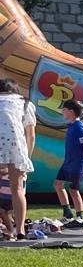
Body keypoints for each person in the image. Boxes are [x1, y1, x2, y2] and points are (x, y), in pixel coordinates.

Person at [0, 78, 36, 239]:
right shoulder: (24, 103)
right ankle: (20, 230)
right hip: (16, 147)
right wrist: (26, 157)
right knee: (18, 189)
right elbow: (31, 134)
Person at [54, 101, 83, 224]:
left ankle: (80, 217)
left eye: (64, 109)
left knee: (74, 190)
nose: (62, 112)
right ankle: (67, 212)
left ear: (71, 112)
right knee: (58, 184)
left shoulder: (79, 127)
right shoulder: (71, 126)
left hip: (77, 165)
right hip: (67, 163)